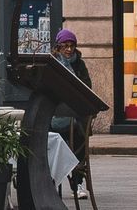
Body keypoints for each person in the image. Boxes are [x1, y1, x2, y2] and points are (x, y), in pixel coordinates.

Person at [50, 29, 92, 196]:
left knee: (79, 137)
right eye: (65, 46)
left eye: (72, 46)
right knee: (53, 139)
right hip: (56, 115)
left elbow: (88, 86)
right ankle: (53, 179)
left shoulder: (79, 64)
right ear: (58, 47)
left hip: (76, 114)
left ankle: (78, 182)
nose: (68, 50)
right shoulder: (52, 63)